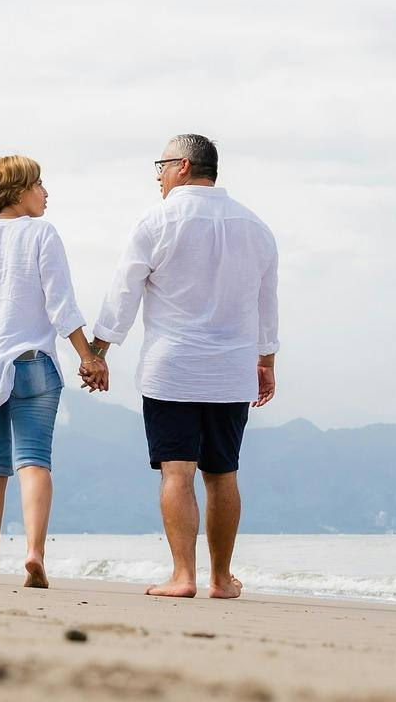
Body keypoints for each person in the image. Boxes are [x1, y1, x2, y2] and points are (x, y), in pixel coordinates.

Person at [88, 133, 278, 599]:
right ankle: (220, 580)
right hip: (232, 370)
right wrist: (267, 361)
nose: (157, 175)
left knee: (178, 472)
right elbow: (266, 302)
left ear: (184, 167)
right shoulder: (255, 227)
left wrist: (97, 353)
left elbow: (123, 292)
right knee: (223, 474)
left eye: (161, 165)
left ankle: (183, 576)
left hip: (171, 368)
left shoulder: (158, 220)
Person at [0, 155, 109, 588]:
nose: (45, 192)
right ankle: (35, 554)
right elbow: (62, 304)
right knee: (35, 461)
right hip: (32, 365)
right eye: (39, 184)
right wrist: (88, 357)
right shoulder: (41, 233)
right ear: (19, 191)